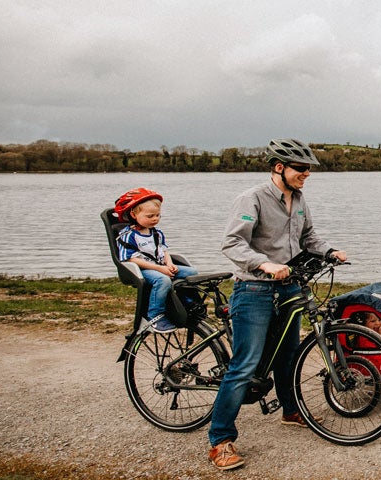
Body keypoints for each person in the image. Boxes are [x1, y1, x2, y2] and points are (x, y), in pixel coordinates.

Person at [208, 138, 347, 471]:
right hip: (254, 290)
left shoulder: (298, 199)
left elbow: (308, 236)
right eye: (301, 168)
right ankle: (220, 440)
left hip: (288, 289)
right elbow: (232, 242)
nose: (306, 174)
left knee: (288, 356)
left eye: (308, 169)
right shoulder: (252, 198)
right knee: (244, 365)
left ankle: (290, 410)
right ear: (279, 167)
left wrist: (329, 251)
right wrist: (263, 263)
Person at [114, 187, 198, 333]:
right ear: (134, 214)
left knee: (192, 273)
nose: (155, 219)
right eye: (150, 216)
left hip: (161, 266)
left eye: (158, 215)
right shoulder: (128, 235)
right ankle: (155, 316)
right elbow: (130, 259)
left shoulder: (157, 233)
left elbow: (164, 250)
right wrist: (160, 269)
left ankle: (186, 302)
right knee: (163, 280)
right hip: (142, 270)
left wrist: (170, 264)